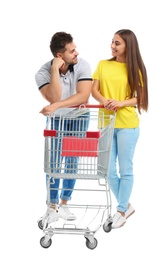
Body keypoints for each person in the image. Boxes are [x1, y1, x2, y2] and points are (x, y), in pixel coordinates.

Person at [92, 29, 148, 228]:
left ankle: (122, 210)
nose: (112, 46)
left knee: (126, 169)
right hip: (105, 124)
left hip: (127, 125)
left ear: (127, 47)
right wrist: (105, 101)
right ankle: (127, 206)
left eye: (117, 43)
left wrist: (120, 103)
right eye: (112, 42)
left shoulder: (136, 69)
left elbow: (140, 98)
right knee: (107, 171)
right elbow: (94, 90)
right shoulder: (103, 65)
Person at [35, 32, 92, 225]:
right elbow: (54, 97)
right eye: (72, 50)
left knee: (72, 161)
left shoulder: (82, 64)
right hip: (57, 121)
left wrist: (57, 106)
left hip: (79, 117)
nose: (77, 53)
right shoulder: (42, 73)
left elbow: (83, 96)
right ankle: (52, 206)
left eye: (75, 48)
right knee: (53, 162)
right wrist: (54, 71)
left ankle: (65, 203)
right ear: (60, 56)